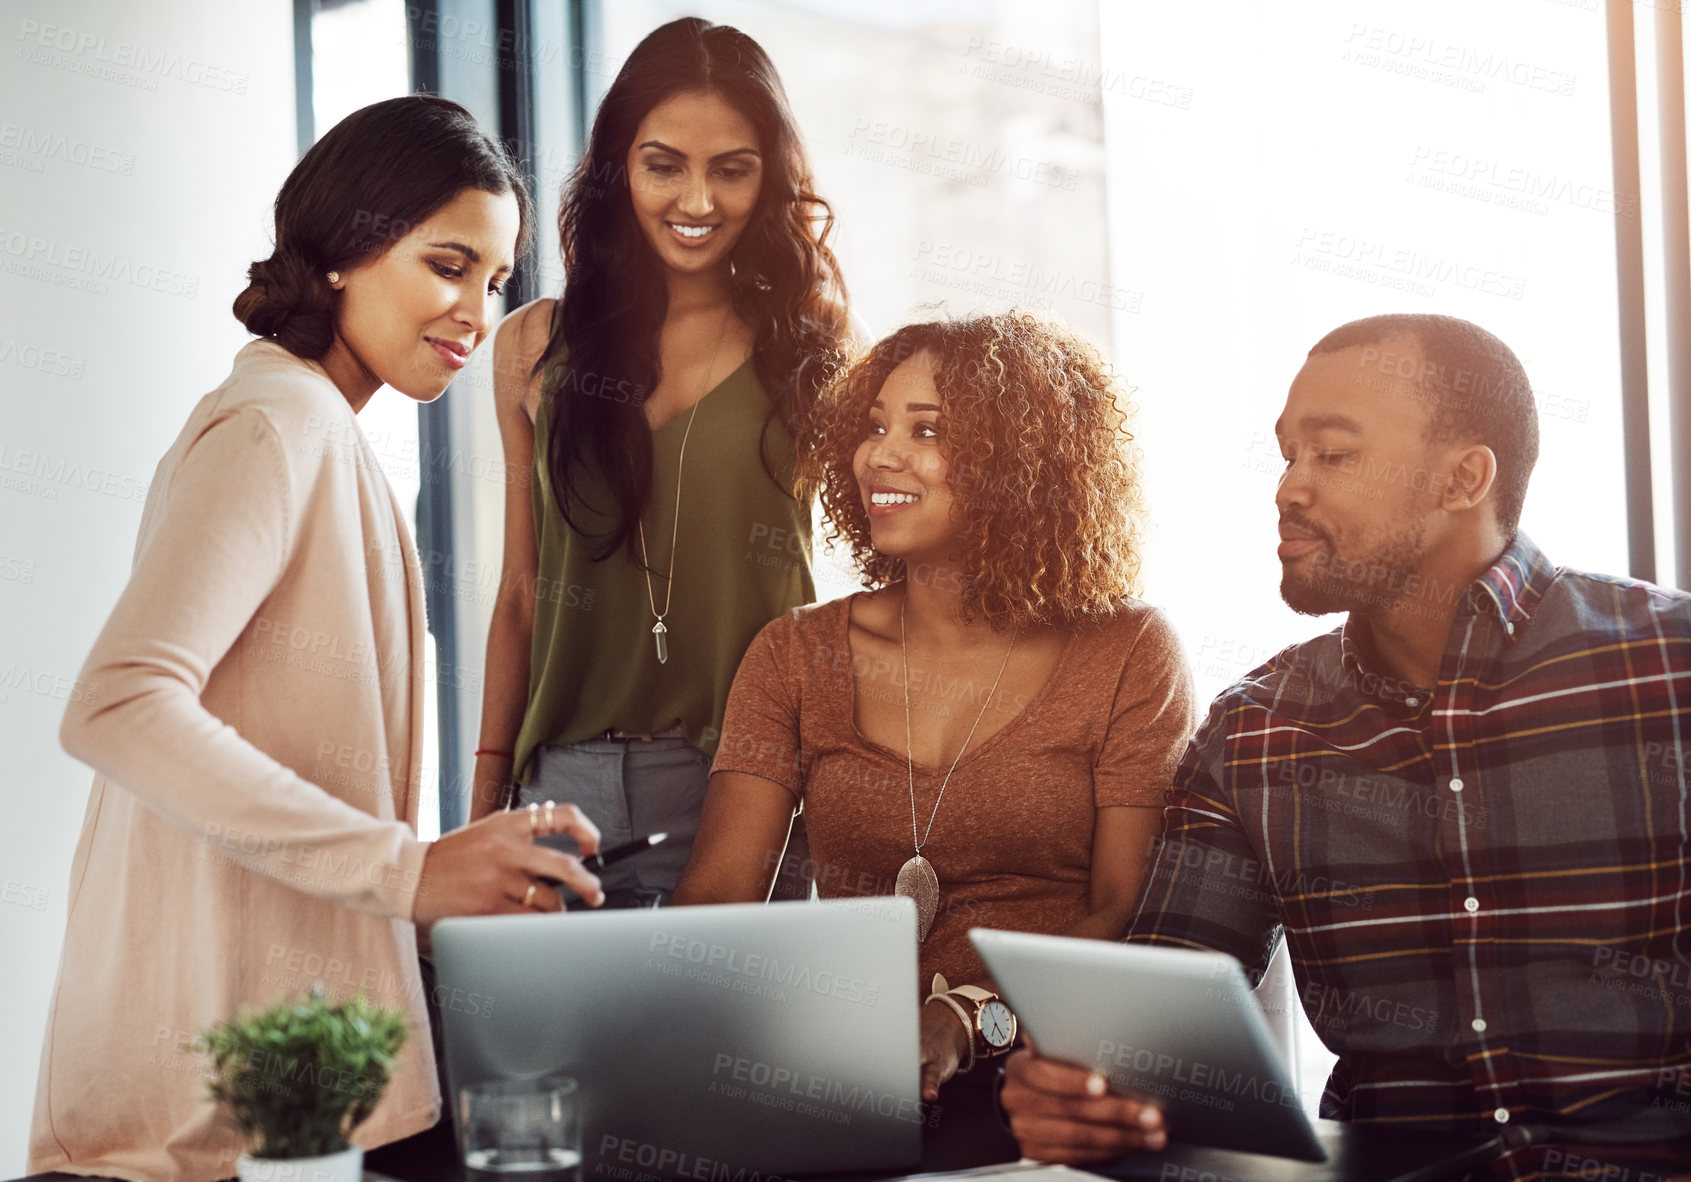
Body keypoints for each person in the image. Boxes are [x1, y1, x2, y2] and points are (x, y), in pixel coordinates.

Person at [30, 96, 606, 1182]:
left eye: (494, 280)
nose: (476, 312)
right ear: (345, 250)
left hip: (273, 1096)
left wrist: (448, 895)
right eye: (448, 265)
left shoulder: (317, 430)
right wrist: (410, 870)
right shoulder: (276, 426)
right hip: (200, 1115)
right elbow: (116, 703)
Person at [999, 313, 1691, 1179]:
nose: (1287, 489)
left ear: (1461, 479)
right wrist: (1089, 1090)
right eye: (1288, 454)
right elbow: (1162, 1023)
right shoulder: (1254, 726)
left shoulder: (1667, 666)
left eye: (1331, 455)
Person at [673, 311, 1197, 1103]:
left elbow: (1118, 909)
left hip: (1049, 1080)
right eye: (875, 425)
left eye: (926, 432)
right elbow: (716, 899)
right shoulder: (794, 654)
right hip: (850, 1075)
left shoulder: (1127, 650)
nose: (879, 454)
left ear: (1020, 466)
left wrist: (966, 1017)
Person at [469, 17, 850, 910]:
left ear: (770, 178)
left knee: (723, 1053)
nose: (698, 199)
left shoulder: (817, 353)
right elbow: (523, 592)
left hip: (747, 788)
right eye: (663, 163)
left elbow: (889, 583)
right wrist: (483, 798)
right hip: (559, 796)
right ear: (619, 169)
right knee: (544, 1052)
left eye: (732, 168)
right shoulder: (532, 345)